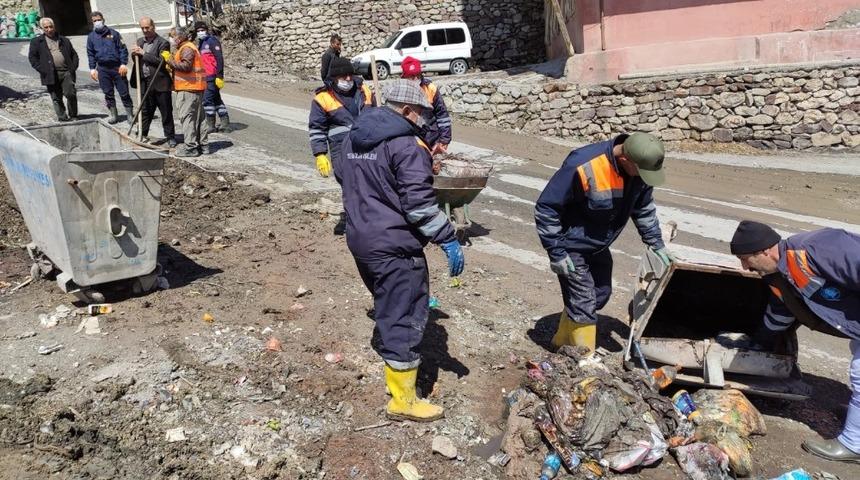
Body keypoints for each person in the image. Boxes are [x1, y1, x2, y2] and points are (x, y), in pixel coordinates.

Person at [341, 79, 465, 422]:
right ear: (407, 110)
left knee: (387, 301)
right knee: (405, 314)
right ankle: (403, 400)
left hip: (360, 237)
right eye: (422, 113)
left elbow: (345, 176)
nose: (425, 120)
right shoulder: (406, 144)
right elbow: (419, 206)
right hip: (394, 244)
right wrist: (447, 237)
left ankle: (392, 362)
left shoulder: (353, 136)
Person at [729, 221, 860, 463]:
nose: (744, 267)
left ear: (765, 251)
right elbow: (780, 314)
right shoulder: (777, 275)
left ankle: (854, 445)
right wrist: (758, 344)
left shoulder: (819, 248)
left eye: (745, 259)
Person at [534, 133, 672, 354]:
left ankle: (561, 342)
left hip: (598, 245)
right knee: (584, 301)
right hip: (571, 245)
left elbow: (643, 208)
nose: (645, 178)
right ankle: (583, 360)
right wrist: (556, 251)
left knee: (600, 293)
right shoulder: (584, 165)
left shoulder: (639, 171)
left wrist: (656, 243)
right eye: (642, 172)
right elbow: (546, 207)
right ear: (626, 159)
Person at [309, 56, 374, 182]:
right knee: (350, 187)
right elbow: (317, 128)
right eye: (344, 76)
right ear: (334, 78)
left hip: (369, 147)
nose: (348, 78)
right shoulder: (323, 98)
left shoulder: (364, 91)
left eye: (350, 75)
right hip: (341, 150)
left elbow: (379, 117)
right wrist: (320, 154)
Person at [161, 27, 209, 157]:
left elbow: (186, 67)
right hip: (195, 87)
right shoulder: (188, 47)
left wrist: (169, 60)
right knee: (199, 118)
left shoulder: (186, 48)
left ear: (180, 37)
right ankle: (203, 145)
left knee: (187, 118)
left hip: (188, 88)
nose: (171, 39)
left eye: (173, 36)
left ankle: (191, 148)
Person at [130, 17, 175, 147]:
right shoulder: (139, 41)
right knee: (145, 110)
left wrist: (143, 53)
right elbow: (136, 60)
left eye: (147, 27)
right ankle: (142, 134)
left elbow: (161, 61)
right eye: (142, 28)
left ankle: (170, 136)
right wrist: (134, 54)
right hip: (145, 82)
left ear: (153, 26)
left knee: (166, 111)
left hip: (160, 83)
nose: (145, 30)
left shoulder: (163, 42)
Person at [86, 11, 133, 125]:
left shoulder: (114, 34)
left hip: (117, 68)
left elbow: (123, 49)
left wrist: (123, 64)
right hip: (102, 69)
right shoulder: (91, 37)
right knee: (108, 93)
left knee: (124, 92)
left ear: (103, 19)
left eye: (99, 19)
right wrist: (92, 69)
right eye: (95, 21)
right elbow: (90, 53)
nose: (97, 22)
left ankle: (130, 115)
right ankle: (114, 115)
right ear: (92, 22)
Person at [28, 17, 78, 122]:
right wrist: (43, 70)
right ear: (42, 28)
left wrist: (73, 68)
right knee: (56, 97)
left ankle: (73, 116)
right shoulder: (37, 42)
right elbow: (33, 58)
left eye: (51, 26)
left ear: (54, 27)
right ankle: (62, 118)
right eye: (46, 27)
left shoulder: (64, 40)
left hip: (66, 72)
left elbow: (74, 55)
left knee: (71, 94)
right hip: (50, 74)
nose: (49, 29)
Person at [400, 56, 452, 155]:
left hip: (432, 137)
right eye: (411, 76)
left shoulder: (430, 88)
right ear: (404, 77)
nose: (415, 79)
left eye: (417, 75)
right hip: (410, 139)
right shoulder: (399, 92)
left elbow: (442, 115)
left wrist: (444, 140)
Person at [195, 21, 231, 133]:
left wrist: (220, 75)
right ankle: (225, 123)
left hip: (212, 75)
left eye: (202, 30)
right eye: (198, 31)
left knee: (207, 100)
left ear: (206, 29)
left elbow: (219, 58)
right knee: (216, 99)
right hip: (205, 76)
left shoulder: (212, 41)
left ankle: (211, 124)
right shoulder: (201, 43)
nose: (200, 32)